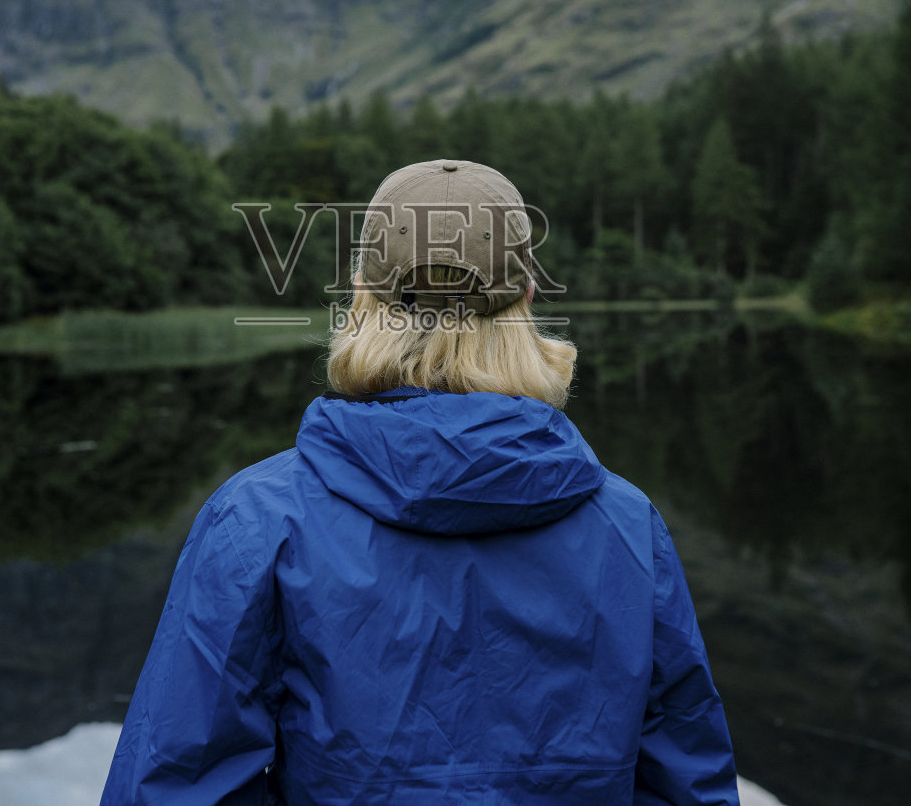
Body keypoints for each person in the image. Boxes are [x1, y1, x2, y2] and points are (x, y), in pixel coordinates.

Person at [100, 159, 739, 805]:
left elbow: (171, 789)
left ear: (361, 297)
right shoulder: (630, 527)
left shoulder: (256, 521)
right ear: (525, 300)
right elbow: (689, 787)